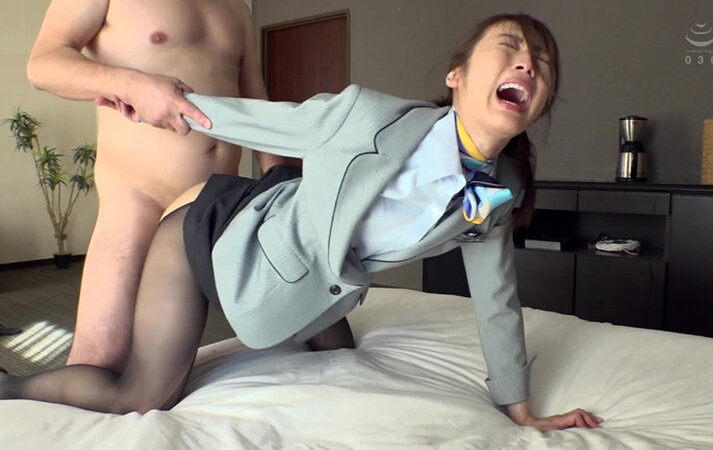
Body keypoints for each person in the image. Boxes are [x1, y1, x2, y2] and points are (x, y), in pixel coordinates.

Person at [3, 13, 603, 431]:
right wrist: (159, 100)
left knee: (339, 354)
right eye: (510, 48)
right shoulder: (368, 116)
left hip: (295, 247)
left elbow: (496, 296)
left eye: (541, 63)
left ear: (541, 103)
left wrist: (520, 409)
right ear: (457, 76)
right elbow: (266, 120)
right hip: (203, 233)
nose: (526, 65)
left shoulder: (497, 192)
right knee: (141, 395)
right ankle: (9, 389)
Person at [25, 0, 284, 371]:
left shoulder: (237, 7)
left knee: (167, 370)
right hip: (138, 202)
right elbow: (43, 65)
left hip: (211, 208)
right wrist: (133, 85)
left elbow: (256, 100)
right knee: (99, 361)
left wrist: (277, 182)